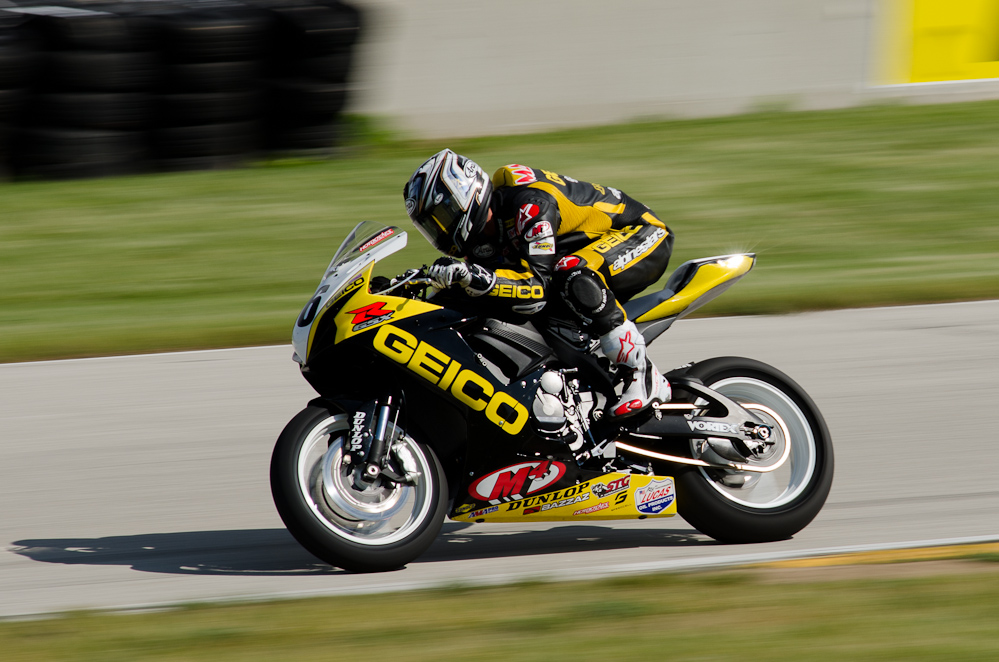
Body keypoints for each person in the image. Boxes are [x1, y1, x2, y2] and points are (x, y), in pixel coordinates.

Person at [403, 148, 674, 418]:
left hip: (641, 234)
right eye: (431, 226)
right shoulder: (481, 241)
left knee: (571, 272)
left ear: (465, 193)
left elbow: (535, 290)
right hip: (582, 253)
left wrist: (476, 277)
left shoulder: (529, 203)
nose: (441, 230)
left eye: (442, 217)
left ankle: (642, 373)